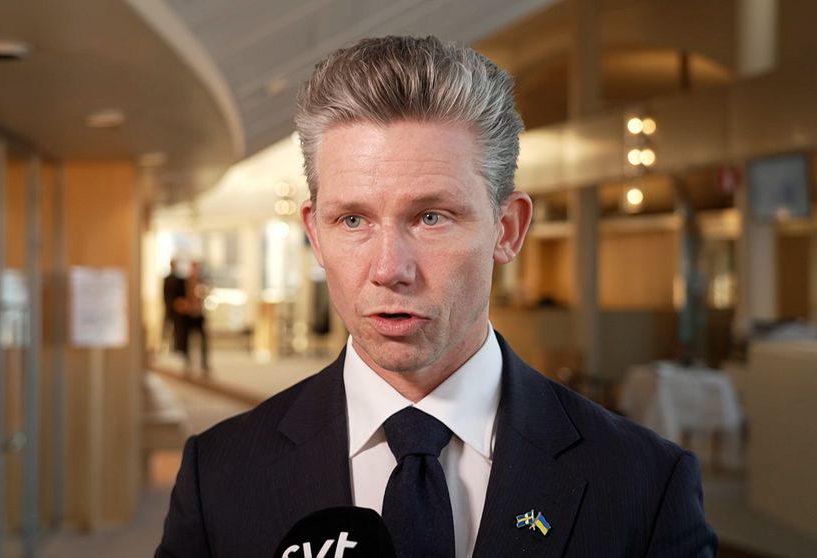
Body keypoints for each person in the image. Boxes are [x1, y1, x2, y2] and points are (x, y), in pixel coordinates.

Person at [155, 36, 716, 557]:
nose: (389, 270)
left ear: (507, 229)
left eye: (431, 217)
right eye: (353, 220)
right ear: (315, 235)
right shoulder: (219, 476)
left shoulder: (645, 485)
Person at [175, 260, 210, 376]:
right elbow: (178, 299)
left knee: (203, 340)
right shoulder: (183, 282)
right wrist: (186, 306)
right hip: (188, 315)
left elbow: (205, 295)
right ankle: (187, 362)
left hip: (199, 314)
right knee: (187, 339)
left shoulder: (201, 281)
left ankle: (204, 364)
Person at [161, 259, 185, 354]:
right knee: (167, 326)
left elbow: (181, 294)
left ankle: (176, 347)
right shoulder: (167, 279)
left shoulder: (180, 279)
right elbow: (164, 293)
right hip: (169, 306)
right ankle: (165, 346)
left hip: (177, 308)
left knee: (177, 329)